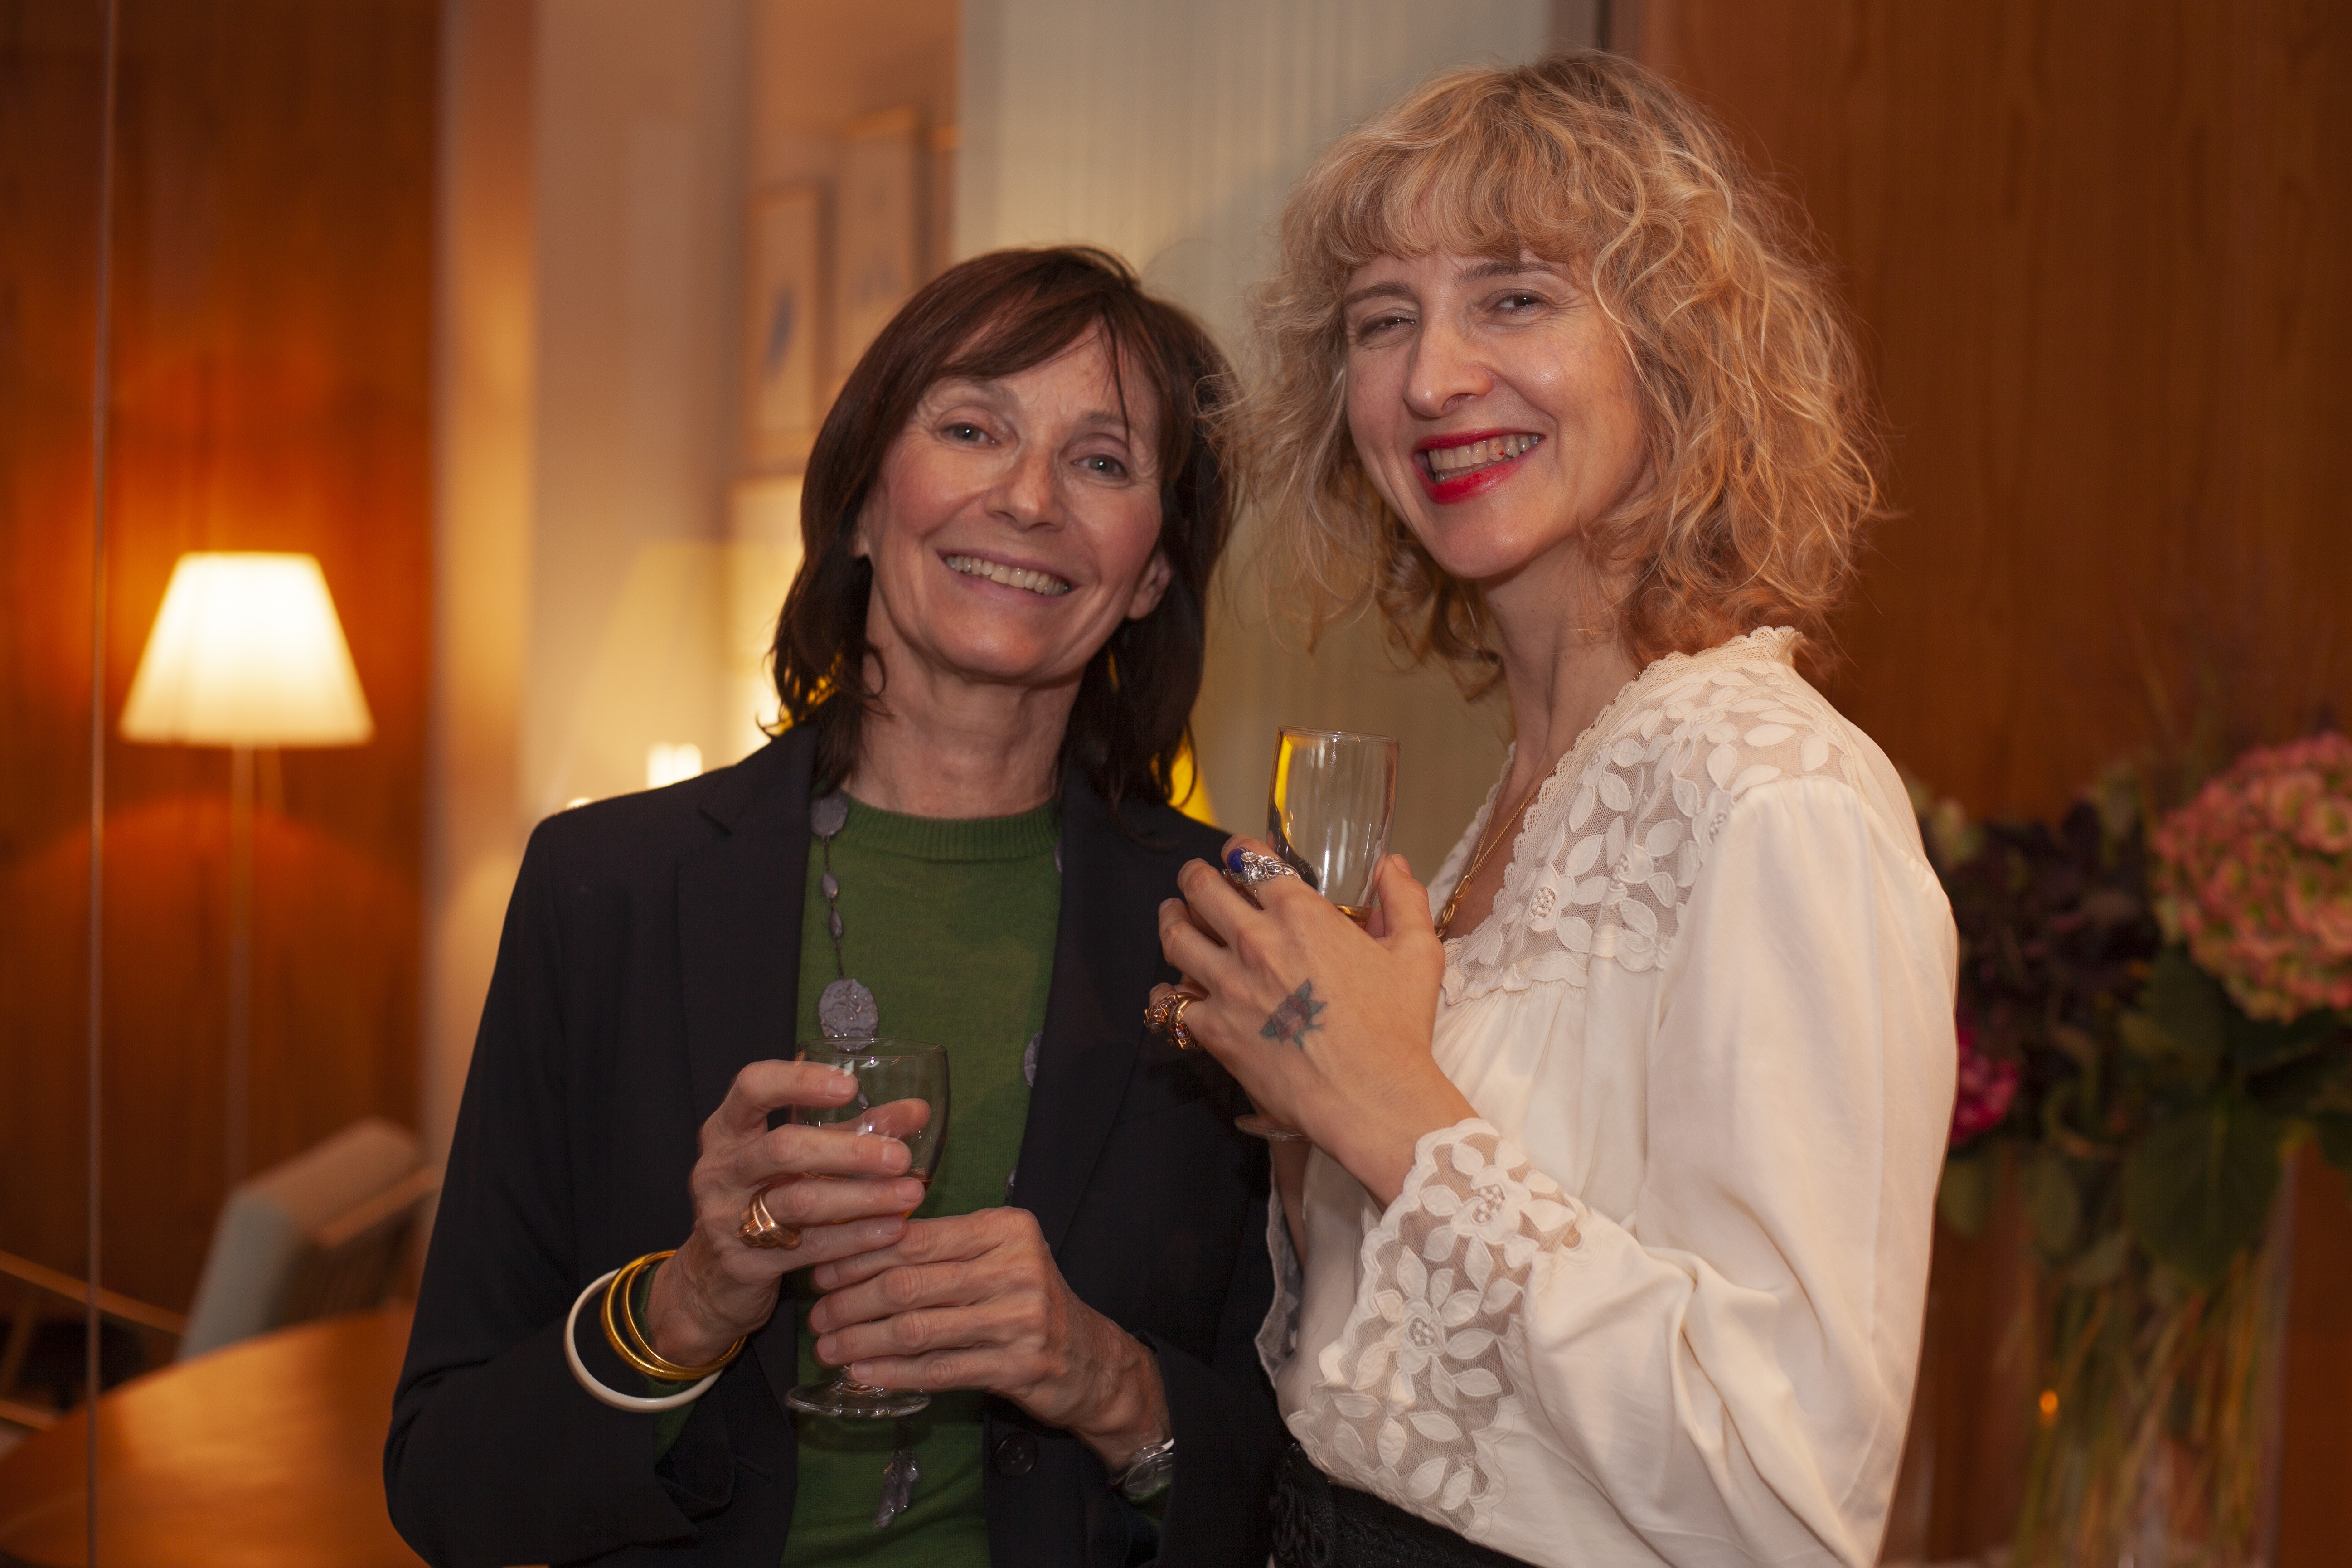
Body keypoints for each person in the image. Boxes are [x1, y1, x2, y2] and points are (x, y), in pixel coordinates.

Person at [1152, 50, 1958, 1568]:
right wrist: (1306, 1125)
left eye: (1515, 296)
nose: (1431, 376)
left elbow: (1786, 1498)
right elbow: (1403, 1395)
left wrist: (1388, 1112)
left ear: (1674, 348)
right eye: (1382, 321)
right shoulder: (1525, 788)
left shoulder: (1774, 796)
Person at [387, 247, 1288, 1568]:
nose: (1029, 498)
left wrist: (1106, 1378)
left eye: (1101, 462)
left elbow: (1316, 1496)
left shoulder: (1238, 934)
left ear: (1153, 571)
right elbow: (449, 1483)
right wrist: (688, 1301)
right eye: (974, 427)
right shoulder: (608, 891)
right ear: (864, 502)